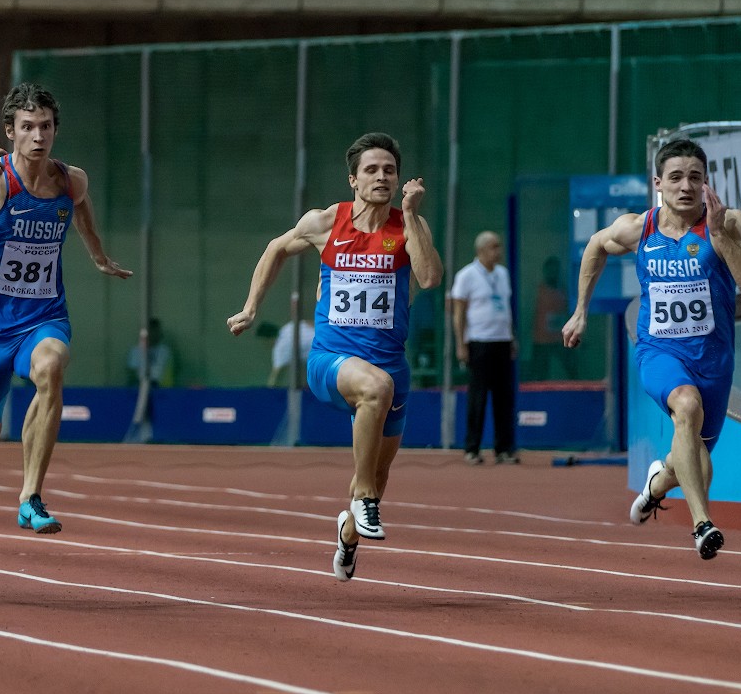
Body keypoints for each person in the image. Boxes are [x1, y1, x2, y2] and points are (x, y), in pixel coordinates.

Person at [227, 132, 442, 582]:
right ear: (353, 180)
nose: (382, 176)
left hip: (390, 365)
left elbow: (429, 277)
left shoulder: (407, 226)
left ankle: (349, 533)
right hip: (331, 360)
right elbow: (275, 249)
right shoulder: (325, 222)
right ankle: (361, 497)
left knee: (379, 474)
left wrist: (416, 215)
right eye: (372, 170)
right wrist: (251, 308)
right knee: (373, 392)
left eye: (389, 170)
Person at [0, 82, 131, 542]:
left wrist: (98, 254)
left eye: (45, 126)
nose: (38, 136)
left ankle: (30, 497)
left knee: (52, 366)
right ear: (10, 131)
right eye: (27, 127)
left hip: (42, 319)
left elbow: (81, 211)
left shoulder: (70, 180)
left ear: (55, 130)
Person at [562, 136, 741, 560]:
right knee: (686, 406)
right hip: (659, 352)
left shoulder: (729, 224)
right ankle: (702, 525)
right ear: (658, 182)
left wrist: (717, 237)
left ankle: (657, 483)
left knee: (695, 462)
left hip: (714, 361)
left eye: (695, 177)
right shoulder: (639, 227)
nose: (685, 186)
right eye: (675, 177)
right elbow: (596, 246)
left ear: (706, 182)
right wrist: (580, 310)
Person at [450, 231, 518, 465]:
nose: (498, 251)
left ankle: (504, 449)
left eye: (498, 246)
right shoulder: (466, 275)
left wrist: (512, 338)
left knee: (504, 398)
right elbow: (458, 313)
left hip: (502, 341)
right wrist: (461, 343)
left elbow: (506, 309)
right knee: (478, 397)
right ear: (481, 250)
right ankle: (472, 448)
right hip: (479, 343)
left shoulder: (503, 274)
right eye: (493, 247)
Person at [529, 256, 578, 380]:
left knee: (571, 369)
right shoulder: (538, 290)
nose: (553, 273)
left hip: (560, 338)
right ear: (545, 271)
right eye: (550, 270)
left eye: (555, 270)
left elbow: (569, 313)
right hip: (541, 340)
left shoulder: (563, 291)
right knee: (539, 373)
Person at [126, 317, 174, 387]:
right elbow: (131, 374)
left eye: (157, 331)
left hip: (161, 388)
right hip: (140, 386)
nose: (155, 334)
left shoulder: (165, 352)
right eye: (152, 331)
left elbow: (170, 374)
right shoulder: (136, 351)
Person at [267, 318, 314, 387]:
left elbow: (276, 376)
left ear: (267, 340)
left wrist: (268, 392)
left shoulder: (280, 347)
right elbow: (311, 323)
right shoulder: (288, 327)